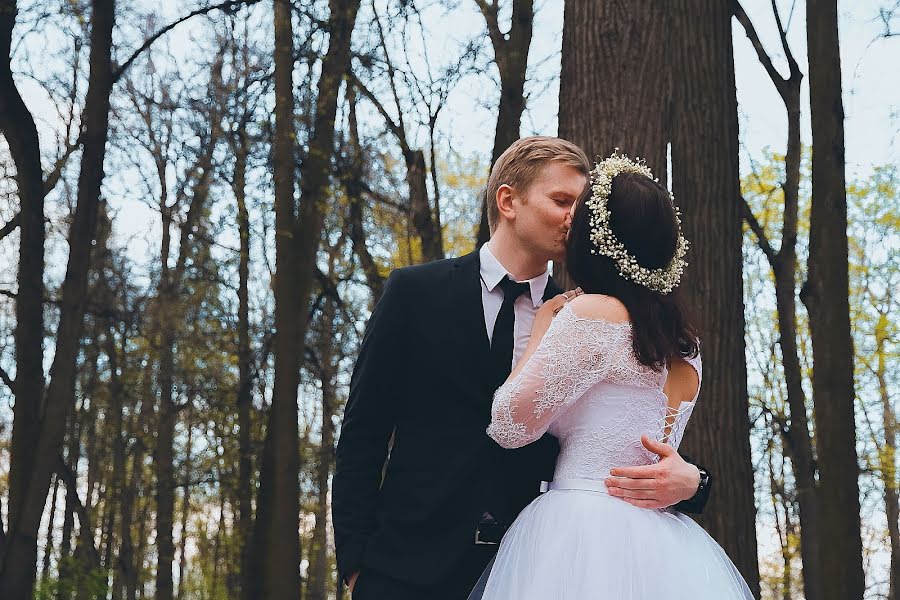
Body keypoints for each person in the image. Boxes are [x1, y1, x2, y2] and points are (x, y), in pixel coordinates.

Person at [332, 138, 712, 600]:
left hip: (532, 570)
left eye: (582, 204)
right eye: (562, 201)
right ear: (509, 201)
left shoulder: (585, 316)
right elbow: (363, 432)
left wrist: (696, 485)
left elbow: (632, 432)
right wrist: (356, 564)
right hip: (406, 568)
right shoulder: (415, 293)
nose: (576, 217)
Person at [467, 152, 753, 599]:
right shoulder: (684, 342)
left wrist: (542, 329)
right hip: (664, 542)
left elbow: (508, 426)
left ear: (596, 239)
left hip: (582, 525)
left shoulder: (592, 315)